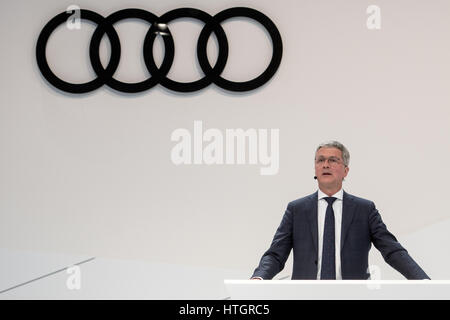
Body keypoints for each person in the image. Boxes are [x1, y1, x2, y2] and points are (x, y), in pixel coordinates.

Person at [251, 141, 430, 280]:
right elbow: (276, 255)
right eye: (320, 160)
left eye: (333, 160)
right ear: (315, 168)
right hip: (306, 295)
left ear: (346, 170)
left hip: (352, 295)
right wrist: (259, 277)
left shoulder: (364, 209)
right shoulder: (297, 209)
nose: (325, 164)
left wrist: (422, 281)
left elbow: (392, 251)